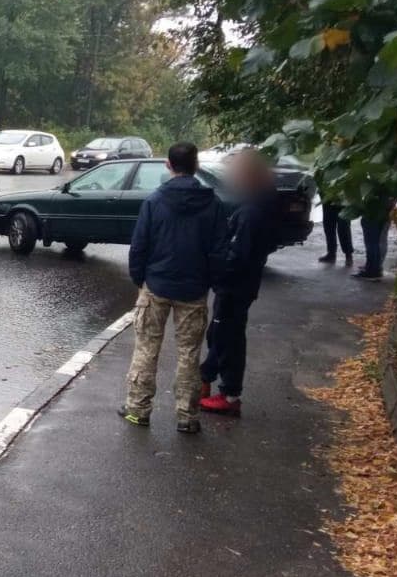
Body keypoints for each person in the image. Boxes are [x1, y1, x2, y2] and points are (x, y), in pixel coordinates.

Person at [119, 142, 229, 434]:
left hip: (156, 285)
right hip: (193, 290)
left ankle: (138, 410)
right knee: (189, 353)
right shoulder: (213, 204)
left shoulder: (155, 201)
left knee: (146, 349)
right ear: (197, 166)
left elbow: (139, 246)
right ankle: (187, 416)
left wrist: (140, 279)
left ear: (168, 165)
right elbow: (219, 251)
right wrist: (213, 283)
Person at [199, 150, 280, 417]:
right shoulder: (261, 203)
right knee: (221, 335)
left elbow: (237, 255)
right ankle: (212, 382)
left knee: (227, 338)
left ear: (247, 176)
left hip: (235, 287)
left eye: (235, 172)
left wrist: (216, 271)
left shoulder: (251, 211)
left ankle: (230, 395)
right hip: (241, 285)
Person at [354, 193, 394, 281]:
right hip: (384, 207)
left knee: (372, 241)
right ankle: (374, 267)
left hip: (374, 208)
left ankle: (372, 270)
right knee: (378, 240)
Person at [318, 184, 354, 265]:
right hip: (328, 197)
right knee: (328, 226)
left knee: (343, 228)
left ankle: (348, 255)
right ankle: (331, 253)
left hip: (343, 199)